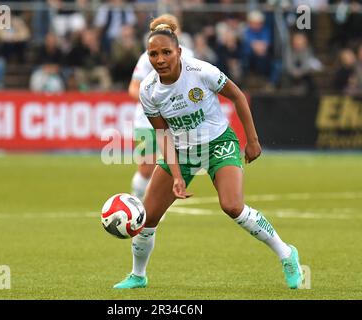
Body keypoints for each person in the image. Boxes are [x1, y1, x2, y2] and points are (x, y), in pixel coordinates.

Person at [114, 18, 304, 290]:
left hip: (218, 144)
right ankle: (138, 275)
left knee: (232, 206)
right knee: (147, 218)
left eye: (166, 52)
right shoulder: (148, 90)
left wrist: (252, 140)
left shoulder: (201, 71)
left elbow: (237, 96)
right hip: (180, 150)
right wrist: (177, 175)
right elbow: (163, 135)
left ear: (179, 52)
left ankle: (287, 254)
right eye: (153, 54)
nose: (160, 59)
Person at [128, 14, 194, 201]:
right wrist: (154, 104)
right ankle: (136, 201)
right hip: (146, 121)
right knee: (146, 167)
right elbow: (133, 88)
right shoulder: (146, 58)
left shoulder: (187, 55)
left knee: (170, 166)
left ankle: (154, 205)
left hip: (175, 121)